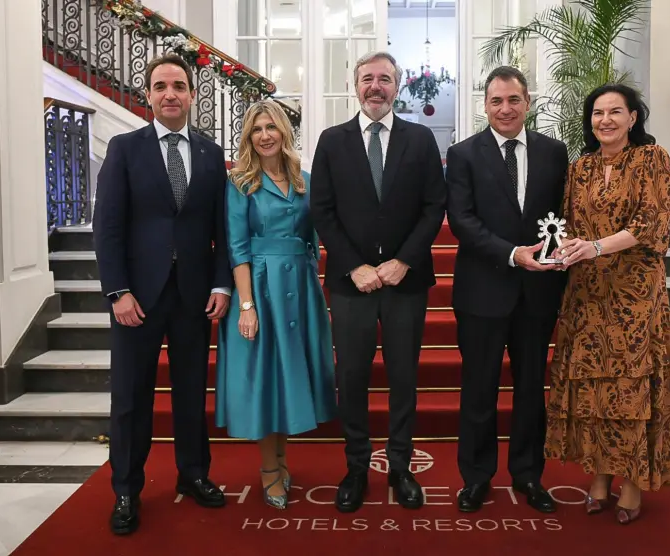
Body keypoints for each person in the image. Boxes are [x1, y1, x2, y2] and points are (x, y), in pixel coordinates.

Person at [93, 53, 232, 535]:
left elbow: (221, 229)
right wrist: (117, 291)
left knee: (191, 393)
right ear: (148, 95)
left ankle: (193, 474)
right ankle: (126, 490)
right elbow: (108, 227)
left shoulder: (211, 153)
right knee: (131, 397)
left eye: (178, 86)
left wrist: (221, 283)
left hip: (194, 296)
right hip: (137, 299)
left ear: (192, 95)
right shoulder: (124, 148)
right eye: (160, 86)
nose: (170, 94)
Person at [309, 51, 447, 513]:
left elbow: (434, 206)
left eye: (384, 79)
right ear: (355, 85)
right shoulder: (332, 141)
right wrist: (354, 266)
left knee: (403, 376)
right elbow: (322, 210)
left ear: (397, 86)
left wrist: (404, 260)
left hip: (406, 281)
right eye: (367, 78)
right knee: (352, 377)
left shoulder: (420, 139)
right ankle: (356, 468)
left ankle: (401, 467)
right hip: (352, 284)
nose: (375, 86)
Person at [544, 83, 670, 525]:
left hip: (634, 295)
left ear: (633, 117)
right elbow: (567, 223)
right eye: (597, 113)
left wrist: (597, 246)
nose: (605, 120)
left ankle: (633, 482)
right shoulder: (580, 167)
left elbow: (650, 222)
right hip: (587, 294)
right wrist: (561, 247)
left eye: (615, 112)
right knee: (594, 390)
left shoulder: (652, 159)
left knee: (630, 390)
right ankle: (600, 476)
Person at [445, 66, 569, 514]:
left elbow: (562, 214)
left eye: (514, 100)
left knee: (532, 389)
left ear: (527, 102)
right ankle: (477, 478)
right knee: (479, 390)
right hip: (482, 292)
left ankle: (528, 475)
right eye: (496, 101)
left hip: (538, 293)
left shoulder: (555, 152)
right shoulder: (462, 154)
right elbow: (462, 220)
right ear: (485, 105)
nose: (505, 109)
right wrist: (513, 253)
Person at [216, 100, 337, 510]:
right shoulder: (240, 184)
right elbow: (236, 248)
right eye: (256, 129)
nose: (265, 135)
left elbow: (318, 236)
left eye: (271, 127)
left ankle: (283, 461)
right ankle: (270, 470)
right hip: (260, 290)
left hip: (300, 290)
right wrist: (246, 305)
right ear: (248, 137)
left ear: (284, 131)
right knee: (266, 378)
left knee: (288, 377)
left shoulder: (305, 181)